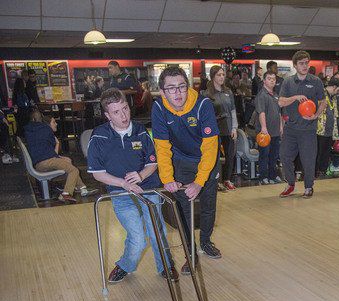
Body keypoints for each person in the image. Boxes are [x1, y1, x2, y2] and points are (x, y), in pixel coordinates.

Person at [87, 88, 177, 283]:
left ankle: (165, 266)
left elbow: (152, 162)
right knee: (137, 239)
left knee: (157, 231)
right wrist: (123, 183)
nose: (124, 115)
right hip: (120, 193)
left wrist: (141, 175)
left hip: (148, 188)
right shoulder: (99, 136)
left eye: (125, 108)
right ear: (107, 115)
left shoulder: (140, 130)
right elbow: (97, 173)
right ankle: (125, 265)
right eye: (116, 112)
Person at [151, 66, 221, 271]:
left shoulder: (203, 105)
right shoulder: (159, 108)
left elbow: (210, 147)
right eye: (171, 88)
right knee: (184, 208)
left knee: (208, 204)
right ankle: (190, 252)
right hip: (181, 160)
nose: (178, 93)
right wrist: (167, 178)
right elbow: (162, 147)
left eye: (181, 86)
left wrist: (199, 182)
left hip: (207, 159)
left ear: (188, 86)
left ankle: (206, 241)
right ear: (162, 92)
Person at [278, 50, 325, 198]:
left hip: (308, 129)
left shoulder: (316, 81)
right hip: (291, 128)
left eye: (306, 63)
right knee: (284, 156)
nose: (304, 66)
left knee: (308, 159)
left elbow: (323, 102)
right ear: (295, 65)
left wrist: (316, 115)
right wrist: (295, 97)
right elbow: (280, 102)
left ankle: (309, 187)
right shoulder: (288, 82)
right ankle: (290, 184)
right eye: (301, 63)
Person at [25, 109, 95, 202]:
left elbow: (45, 151)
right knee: (73, 170)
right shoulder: (46, 129)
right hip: (47, 161)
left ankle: (82, 188)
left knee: (68, 161)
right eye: (54, 122)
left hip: (37, 163)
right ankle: (66, 194)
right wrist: (57, 143)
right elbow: (54, 154)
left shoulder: (28, 130)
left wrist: (60, 158)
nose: (56, 124)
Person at [204, 65, 238, 191]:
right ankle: (216, 181)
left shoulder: (228, 92)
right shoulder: (207, 94)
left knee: (230, 155)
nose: (222, 77)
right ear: (212, 77)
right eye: (219, 75)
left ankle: (227, 180)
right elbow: (206, 115)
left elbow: (233, 110)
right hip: (215, 130)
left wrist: (234, 127)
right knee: (215, 157)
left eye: (223, 74)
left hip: (229, 128)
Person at [254, 71, 283, 185]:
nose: (272, 80)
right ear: (264, 81)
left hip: (275, 131)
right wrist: (264, 127)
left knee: (274, 156)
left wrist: (281, 126)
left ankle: (273, 176)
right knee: (264, 155)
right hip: (264, 132)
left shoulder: (276, 95)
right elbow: (261, 112)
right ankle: (263, 177)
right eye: (269, 78)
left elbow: (279, 112)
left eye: (274, 79)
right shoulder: (261, 95)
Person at [316, 78, 339, 178]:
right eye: (338, 90)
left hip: (330, 131)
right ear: (334, 87)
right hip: (319, 130)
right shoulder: (320, 94)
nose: (338, 92)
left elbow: (335, 114)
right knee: (318, 152)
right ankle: (316, 172)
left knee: (326, 153)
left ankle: (323, 170)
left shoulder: (333, 98)